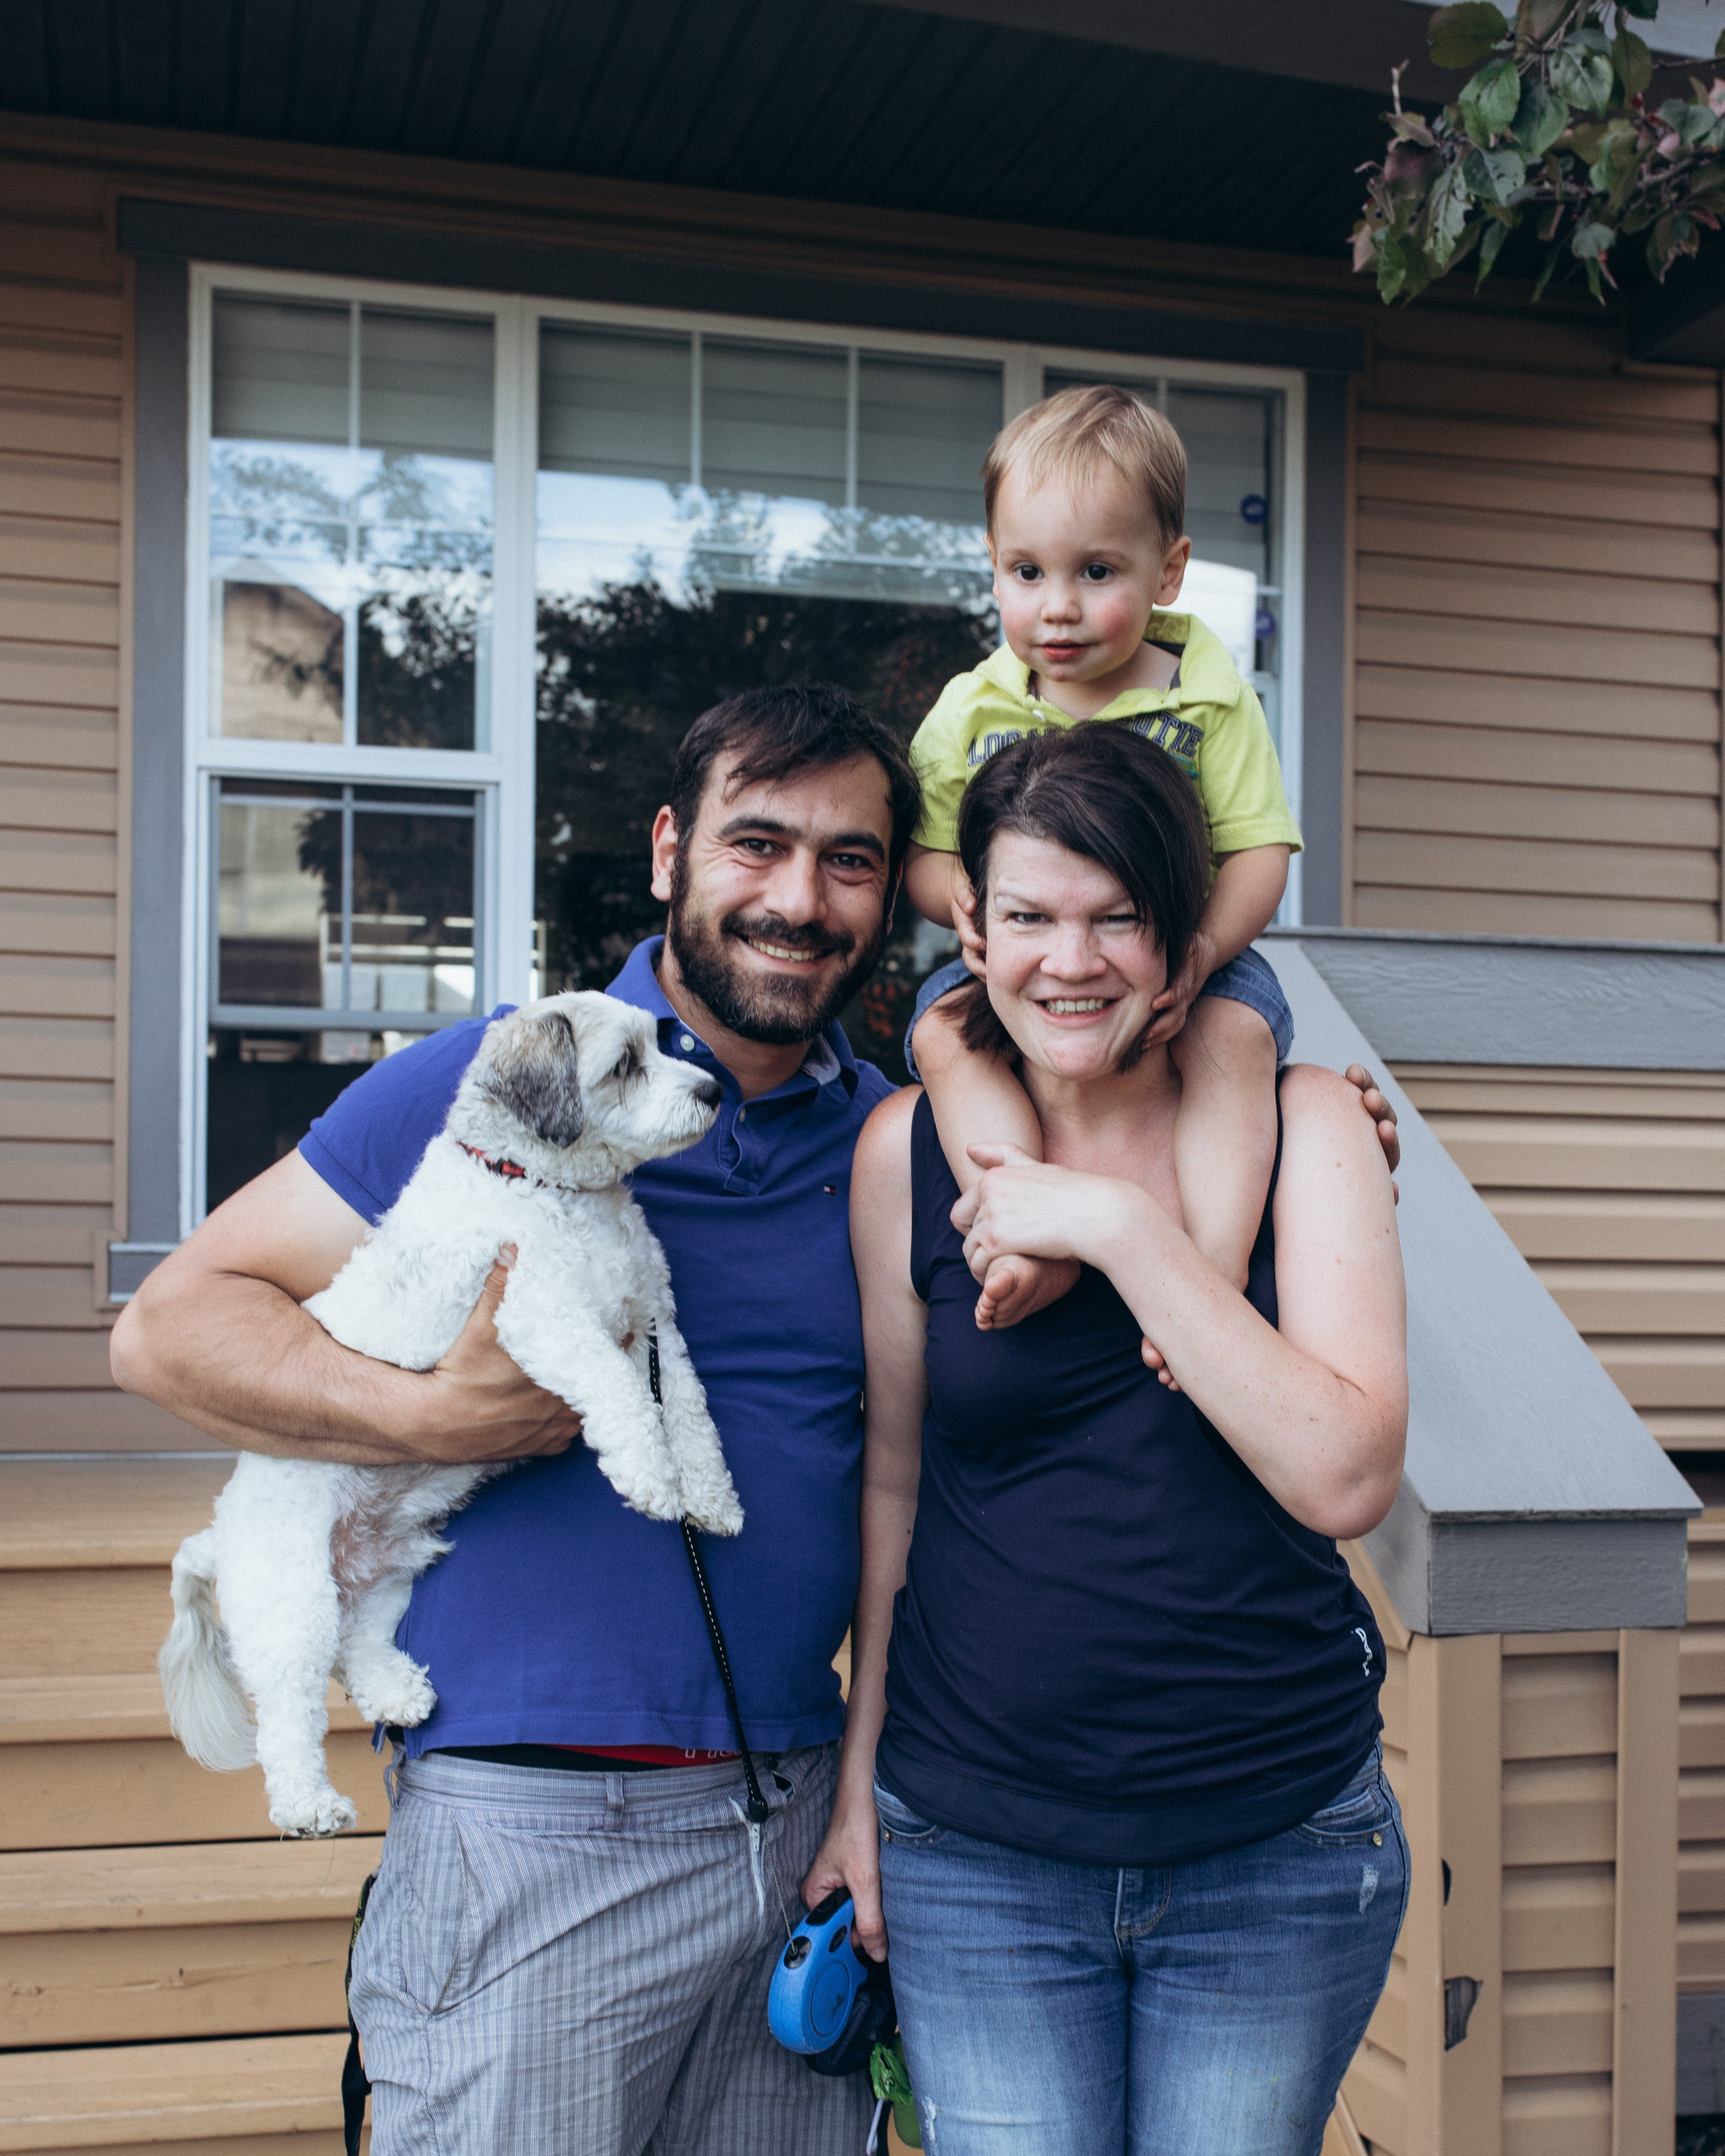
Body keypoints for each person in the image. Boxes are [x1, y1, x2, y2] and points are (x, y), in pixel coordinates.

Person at [110, 685, 918, 2156]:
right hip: (533, 1841)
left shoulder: (891, 1140)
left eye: (847, 858)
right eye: (757, 843)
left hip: (797, 1828)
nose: (797, 899)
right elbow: (168, 1326)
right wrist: (424, 1414)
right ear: (669, 851)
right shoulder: (495, 1077)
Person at [807, 722, 1409, 2156]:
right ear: (972, 927)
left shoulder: (1307, 1121)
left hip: (1272, 1843)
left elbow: (1341, 1472)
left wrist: (1125, 1233)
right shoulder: (901, 1147)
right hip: (973, 1848)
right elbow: (894, 1490)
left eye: (1113, 918)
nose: (1066, 962)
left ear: (1178, 937)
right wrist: (856, 1789)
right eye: (1025, 917)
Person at [904, 383, 1302, 1334]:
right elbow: (921, 852)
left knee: (1237, 1039)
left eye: (1096, 572)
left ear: (1168, 573)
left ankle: (1211, 1268)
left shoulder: (1208, 703)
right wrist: (962, 900)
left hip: (1184, 957)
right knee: (943, 1039)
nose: (1060, 609)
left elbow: (1258, 852)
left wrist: (1204, 948)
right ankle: (1021, 1221)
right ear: (992, 568)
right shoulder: (974, 707)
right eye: (1027, 573)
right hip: (1024, 968)